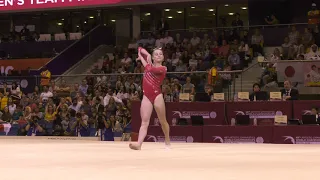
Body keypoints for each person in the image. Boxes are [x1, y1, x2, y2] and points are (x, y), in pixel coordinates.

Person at [129, 47, 171, 150]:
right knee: (144, 121)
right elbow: (140, 48)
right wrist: (141, 54)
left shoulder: (163, 68)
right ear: (153, 57)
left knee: (163, 121)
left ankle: (167, 139)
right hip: (146, 96)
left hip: (157, 96)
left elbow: (150, 69)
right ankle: (139, 144)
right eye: (156, 54)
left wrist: (146, 57)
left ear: (163, 57)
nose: (158, 55)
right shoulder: (148, 65)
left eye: (160, 54)